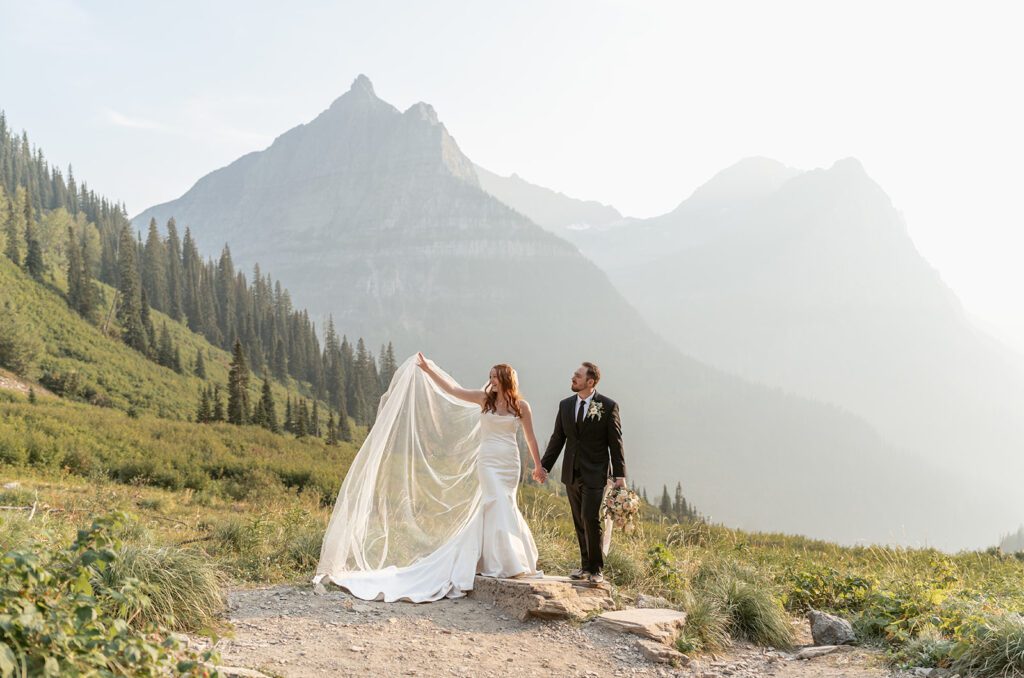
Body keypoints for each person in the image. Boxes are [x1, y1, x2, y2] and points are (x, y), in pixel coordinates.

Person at [313, 352, 544, 602]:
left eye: (495, 377)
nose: (491, 380)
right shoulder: (483, 400)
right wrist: (429, 370)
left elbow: (530, 438)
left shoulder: (521, 407)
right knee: (495, 501)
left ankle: (502, 558)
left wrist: (538, 466)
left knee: (505, 503)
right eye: (490, 376)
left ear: (506, 380)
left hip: (509, 461)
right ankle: (504, 560)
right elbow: (454, 389)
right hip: (488, 461)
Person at [537, 361, 625, 585]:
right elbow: (558, 439)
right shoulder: (565, 405)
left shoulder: (607, 406)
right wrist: (544, 466)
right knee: (579, 519)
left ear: (590, 381)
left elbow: (615, 443)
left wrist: (619, 475)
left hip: (596, 473)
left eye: (577, 376)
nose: (573, 378)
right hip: (571, 473)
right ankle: (585, 566)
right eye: (573, 375)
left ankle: (597, 569)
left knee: (590, 517)